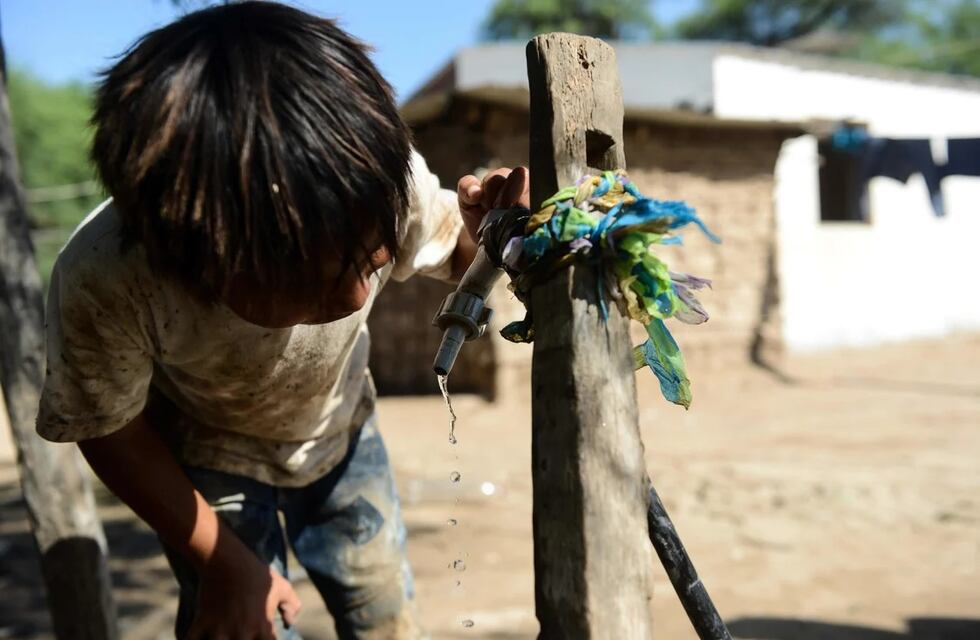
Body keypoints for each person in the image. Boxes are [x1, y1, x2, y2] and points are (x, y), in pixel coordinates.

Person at [35, 2, 529, 638]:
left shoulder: (379, 180)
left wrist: (481, 237)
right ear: (202, 264)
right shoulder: (111, 277)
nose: (356, 296)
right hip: (206, 456)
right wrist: (223, 562)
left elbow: (455, 260)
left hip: (343, 436)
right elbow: (108, 429)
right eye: (312, 283)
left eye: (368, 260)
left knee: (387, 618)